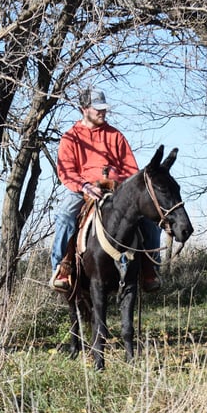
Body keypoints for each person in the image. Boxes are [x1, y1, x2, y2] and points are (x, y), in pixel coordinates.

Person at [49, 87, 162, 292]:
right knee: (65, 215)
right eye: (97, 108)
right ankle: (61, 268)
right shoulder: (70, 138)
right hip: (84, 190)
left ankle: (149, 268)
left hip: (117, 190)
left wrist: (123, 187)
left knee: (150, 219)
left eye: (104, 108)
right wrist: (84, 186)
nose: (102, 112)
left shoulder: (115, 136)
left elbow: (130, 169)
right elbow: (66, 171)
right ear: (84, 109)